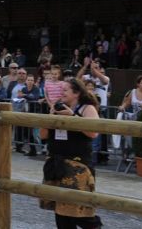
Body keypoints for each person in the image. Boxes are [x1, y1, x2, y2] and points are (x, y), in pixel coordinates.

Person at [39, 79, 102, 229]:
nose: (62, 93)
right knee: (60, 213)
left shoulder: (87, 108)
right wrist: (51, 117)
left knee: (83, 214)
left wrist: (72, 117)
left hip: (78, 167)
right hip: (56, 164)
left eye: (65, 90)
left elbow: (94, 133)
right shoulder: (57, 107)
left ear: (77, 93)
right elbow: (43, 135)